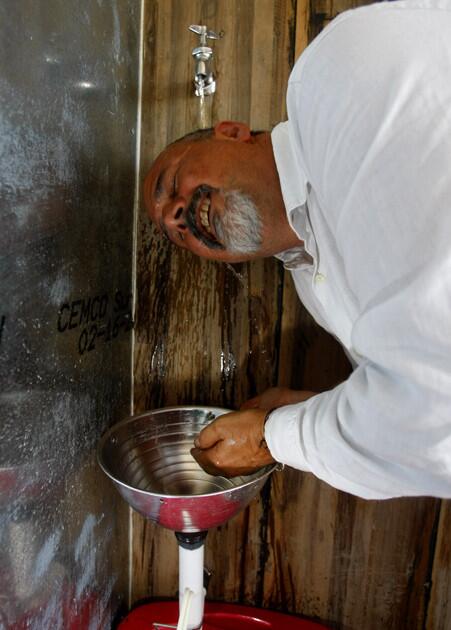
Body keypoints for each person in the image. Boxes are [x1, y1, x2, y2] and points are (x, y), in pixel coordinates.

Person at [144, 0, 451, 499]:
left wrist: (273, 437)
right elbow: (414, 418)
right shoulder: (314, 281)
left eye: (173, 182)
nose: (177, 214)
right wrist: (299, 414)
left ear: (231, 132)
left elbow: (432, 407)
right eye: (174, 232)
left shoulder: (331, 81)